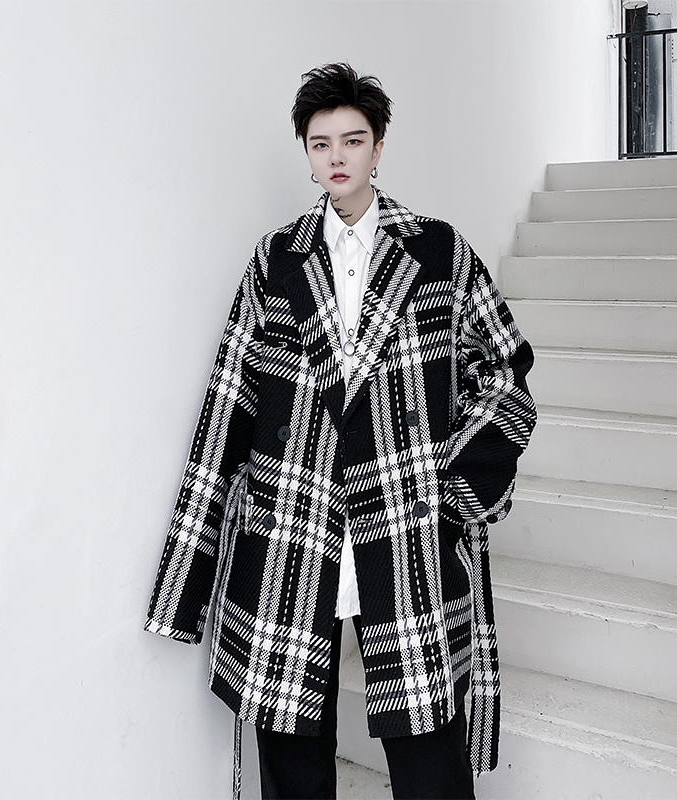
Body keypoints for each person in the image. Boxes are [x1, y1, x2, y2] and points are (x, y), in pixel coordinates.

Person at [145, 63, 536, 800]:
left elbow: (506, 373)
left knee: (429, 752)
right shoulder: (276, 260)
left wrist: (456, 491)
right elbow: (229, 406)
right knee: (291, 753)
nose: (336, 157)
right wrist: (187, 576)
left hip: (408, 526)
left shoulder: (439, 252)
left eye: (352, 140)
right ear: (306, 152)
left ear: (378, 147)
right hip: (294, 526)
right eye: (320, 142)